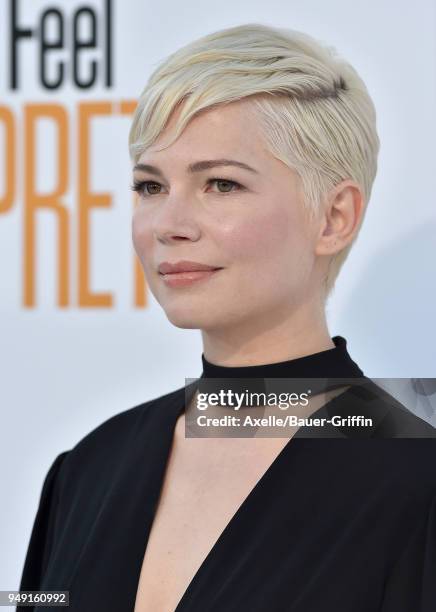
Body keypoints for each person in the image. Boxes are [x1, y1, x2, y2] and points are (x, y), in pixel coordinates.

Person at [18, 23, 436, 612]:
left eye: (220, 183)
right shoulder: (86, 470)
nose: (170, 223)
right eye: (150, 185)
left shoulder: (416, 480)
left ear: (334, 218)